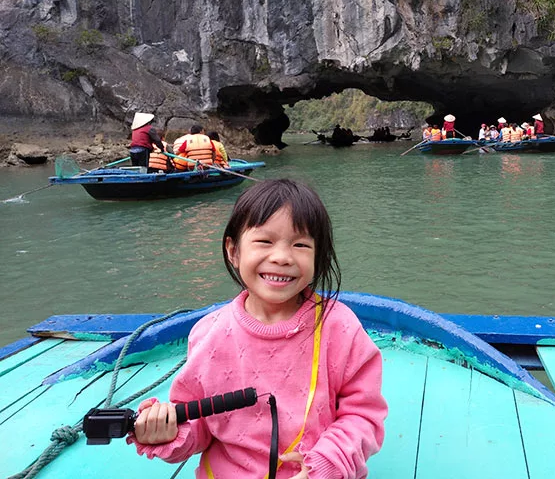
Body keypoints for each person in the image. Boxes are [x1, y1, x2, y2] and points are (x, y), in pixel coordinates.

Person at [129, 179, 388, 478]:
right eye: (264, 241)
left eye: (301, 244)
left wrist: (329, 463)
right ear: (233, 251)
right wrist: (166, 433)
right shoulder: (208, 333)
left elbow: (363, 415)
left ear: (319, 257)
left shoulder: (339, 327)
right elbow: (198, 425)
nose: (281, 257)